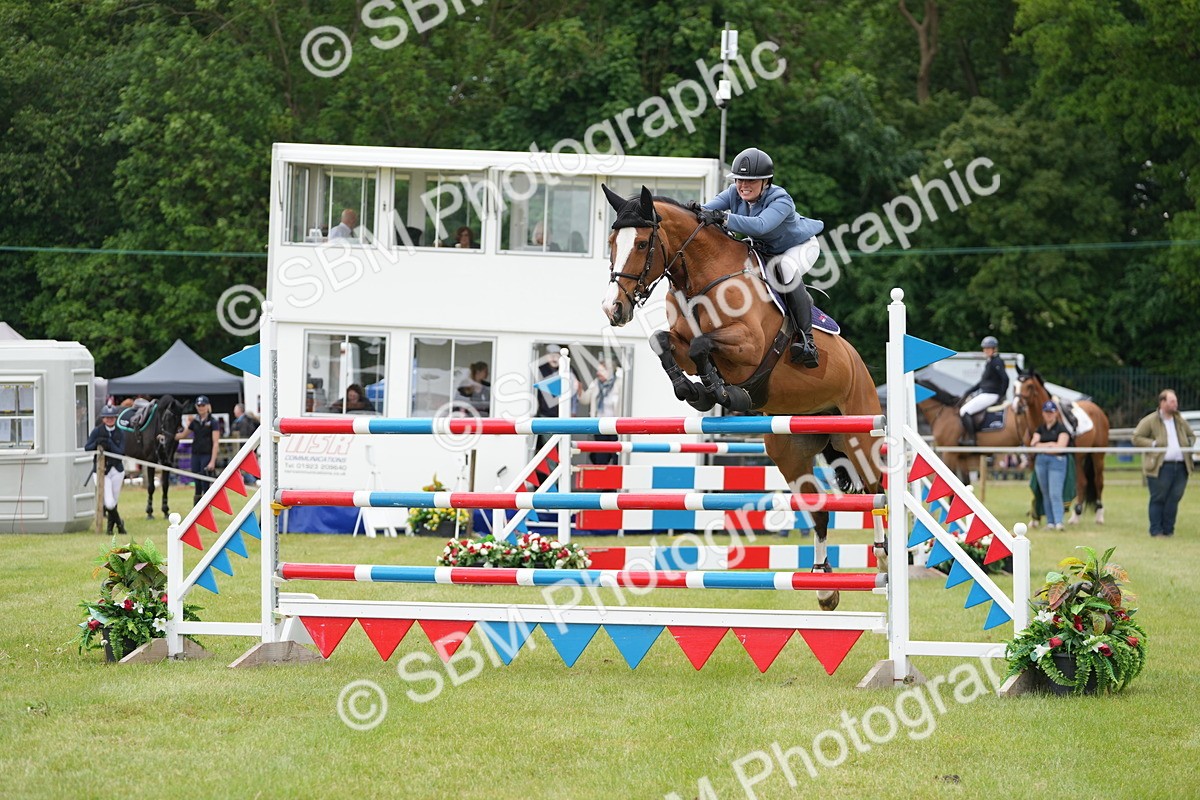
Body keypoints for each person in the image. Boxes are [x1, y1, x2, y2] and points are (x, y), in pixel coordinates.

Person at [697, 147, 824, 368]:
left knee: (784, 268)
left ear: (765, 182)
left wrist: (722, 217)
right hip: (764, 248)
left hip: (798, 247)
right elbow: (707, 210)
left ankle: (807, 340)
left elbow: (761, 226)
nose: (743, 186)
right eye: (739, 180)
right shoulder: (733, 193)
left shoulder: (781, 199)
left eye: (751, 181)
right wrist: (692, 210)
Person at [1132, 389, 1196, 537]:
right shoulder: (1151, 420)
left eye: (1175, 400)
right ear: (1162, 402)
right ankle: (1156, 530)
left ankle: (1169, 530)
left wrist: (1188, 443)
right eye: (1172, 401)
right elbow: (1136, 437)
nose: (1176, 404)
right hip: (1160, 467)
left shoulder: (1180, 420)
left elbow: (1191, 435)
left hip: (1180, 466)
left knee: (1174, 498)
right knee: (1158, 498)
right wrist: (1154, 444)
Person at [85, 404, 127, 535]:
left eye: (112, 417)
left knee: (114, 500)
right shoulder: (97, 431)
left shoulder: (120, 432)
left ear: (115, 418)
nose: (109, 420)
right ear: (103, 419)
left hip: (116, 470)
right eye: (107, 417)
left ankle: (110, 529)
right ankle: (120, 524)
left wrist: (109, 443)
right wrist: (98, 442)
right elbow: (87, 447)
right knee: (109, 503)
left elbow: (121, 452)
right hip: (101, 471)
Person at [958, 336, 1009, 445]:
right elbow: (982, 382)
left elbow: (1005, 378)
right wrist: (969, 391)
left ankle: (972, 439)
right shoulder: (990, 362)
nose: (985, 350)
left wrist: (1001, 395)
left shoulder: (997, 361)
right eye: (984, 348)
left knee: (964, 411)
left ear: (994, 349)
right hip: (986, 393)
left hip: (991, 394)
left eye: (988, 348)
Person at [1029, 400, 1071, 530]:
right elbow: (1033, 445)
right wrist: (1051, 444)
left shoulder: (1062, 428)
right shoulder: (1039, 429)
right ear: (1043, 413)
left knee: (1055, 492)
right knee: (1045, 492)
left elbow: (1060, 448)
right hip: (1041, 462)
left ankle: (1059, 521)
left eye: (1051, 412)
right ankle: (1050, 522)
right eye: (1046, 412)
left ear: (1056, 413)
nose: (1049, 415)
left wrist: (1042, 446)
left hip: (1057, 462)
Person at [578, 359, 624, 465]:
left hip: (616, 426)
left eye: (601, 371)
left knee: (616, 457)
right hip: (600, 426)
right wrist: (579, 390)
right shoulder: (595, 383)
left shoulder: (620, 383)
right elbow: (585, 399)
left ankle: (614, 480)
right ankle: (600, 479)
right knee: (601, 457)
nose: (598, 373)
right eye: (598, 371)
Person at [175, 395, 221, 504]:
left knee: (205, 482)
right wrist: (168, 436)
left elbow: (215, 443)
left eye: (203, 405)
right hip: (195, 454)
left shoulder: (213, 422)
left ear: (207, 406)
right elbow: (183, 435)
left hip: (207, 454)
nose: (201, 408)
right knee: (196, 481)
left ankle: (206, 506)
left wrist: (212, 461)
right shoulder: (194, 421)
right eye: (199, 405)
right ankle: (196, 508)